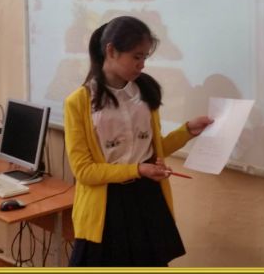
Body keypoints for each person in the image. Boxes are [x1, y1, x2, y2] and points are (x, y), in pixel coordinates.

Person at [64, 15, 214, 267]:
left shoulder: (144, 92)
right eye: (136, 57)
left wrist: (187, 130)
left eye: (145, 57)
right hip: (106, 207)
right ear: (111, 51)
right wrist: (137, 169)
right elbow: (84, 171)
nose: (142, 65)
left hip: (147, 198)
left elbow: (155, 149)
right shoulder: (79, 102)